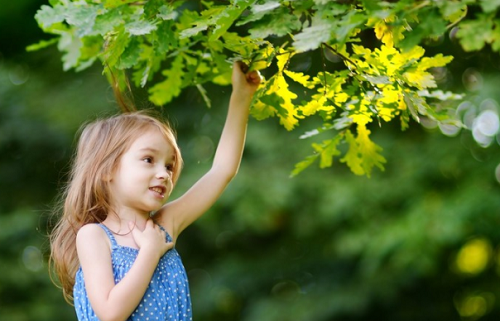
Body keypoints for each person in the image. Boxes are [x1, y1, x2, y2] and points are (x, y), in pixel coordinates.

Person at [49, 61, 261, 321]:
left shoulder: (165, 226)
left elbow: (221, 171)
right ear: (107, 170)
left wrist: (241, 96)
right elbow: (111, 313)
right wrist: (150, 251)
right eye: (149, 160)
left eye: (169, 165)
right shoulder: (94, 236)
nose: (164, 173)